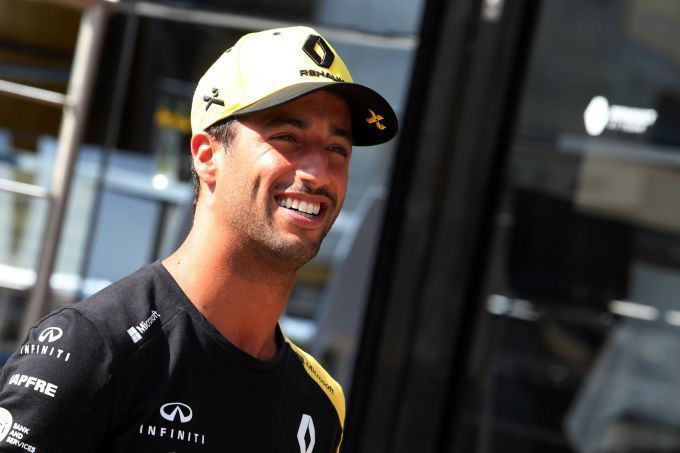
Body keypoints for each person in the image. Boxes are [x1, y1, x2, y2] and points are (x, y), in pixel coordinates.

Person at [0, 26, 397, 452]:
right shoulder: (91, 348)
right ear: (207, 156)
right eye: (288, 138)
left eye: (337, 149)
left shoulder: (321, 403)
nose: (318, 173)